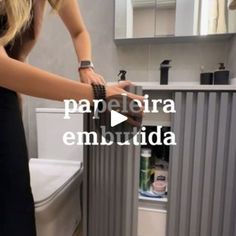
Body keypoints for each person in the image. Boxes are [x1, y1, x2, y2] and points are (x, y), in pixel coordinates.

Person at [0, 0, 143, 235]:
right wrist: (98, 93)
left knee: (16, 202)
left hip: (7, 99)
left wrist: (86, 67)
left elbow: (79, 31)